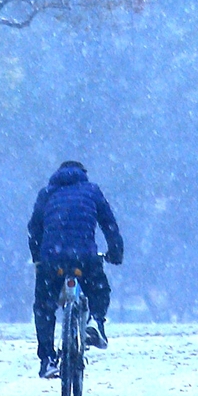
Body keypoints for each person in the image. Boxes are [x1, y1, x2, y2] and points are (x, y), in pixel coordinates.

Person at [28, 159, 124, 377]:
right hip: (84, 258)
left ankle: (48, 359)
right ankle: (97, 323)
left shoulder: (47, 193)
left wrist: (38, 259)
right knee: (99, 288)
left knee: (44, 307)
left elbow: (34, 229)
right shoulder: (92, 191)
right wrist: (115, 253)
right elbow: (109, 224)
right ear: (83, 173)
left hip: (52, 260)